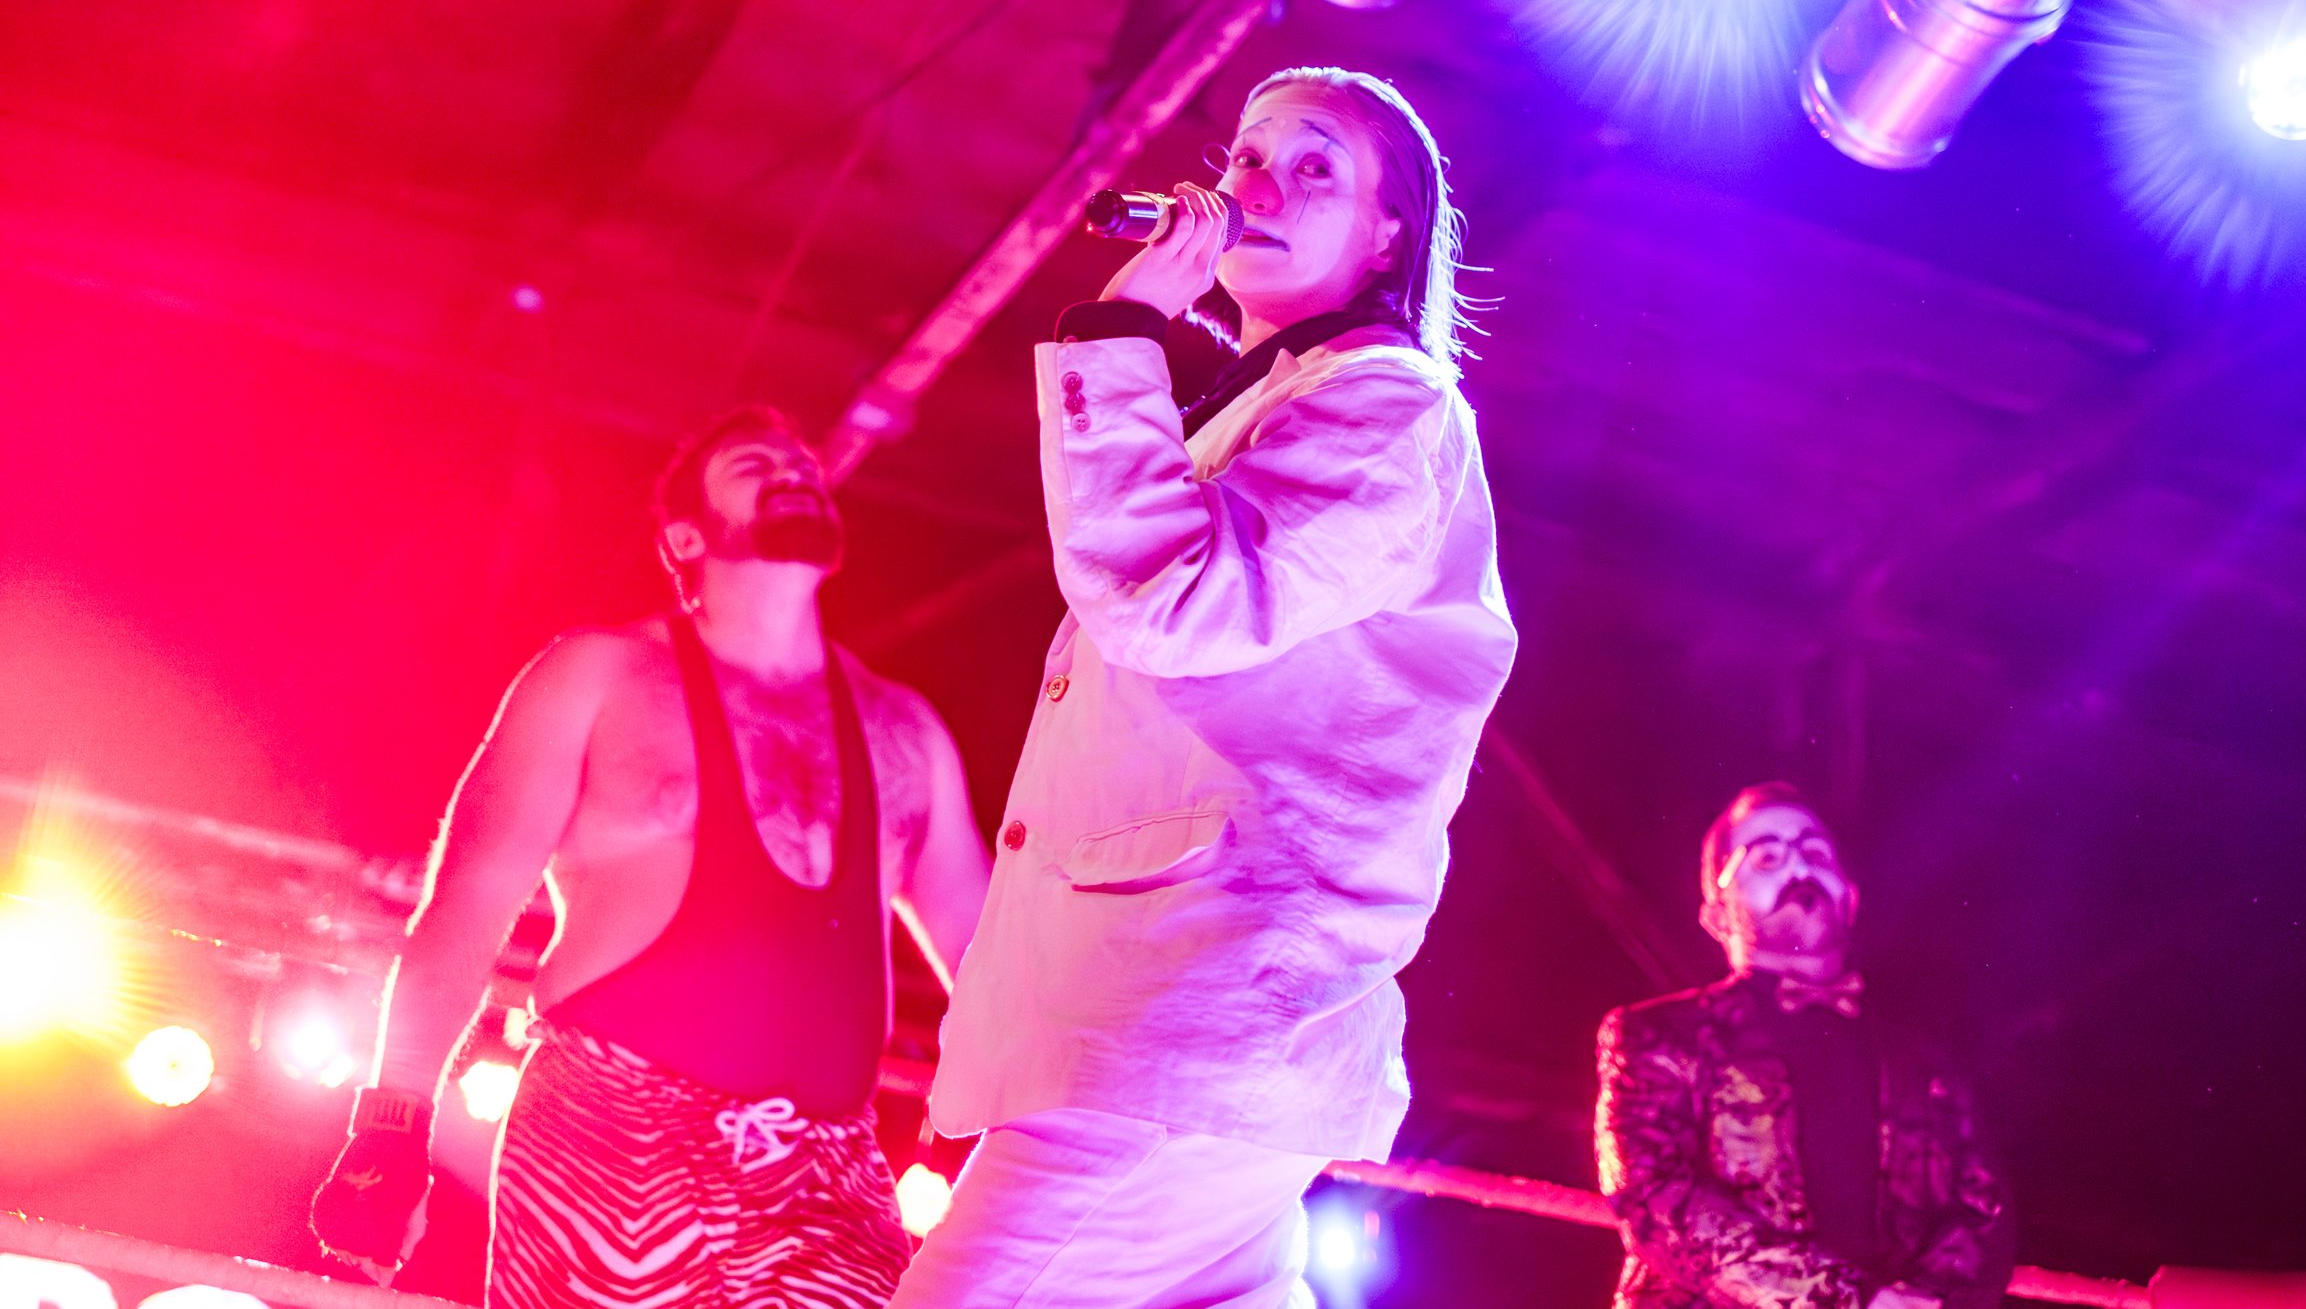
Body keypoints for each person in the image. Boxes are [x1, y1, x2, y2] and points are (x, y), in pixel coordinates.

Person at [889, 67, 1518, 1309]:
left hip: (1185, 1030)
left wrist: (1120, 332)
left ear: (1389, 232)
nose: (1254, 184)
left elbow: (1177, 598)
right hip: (1194, 1036)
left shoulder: (1392, 407)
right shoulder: (1274, 405)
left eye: (1313, 166)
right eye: (1246, 154)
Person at [310, 406, 991, 1308]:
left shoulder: (907, 731)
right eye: (756, 462)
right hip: (610, 1132)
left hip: (823, 1169)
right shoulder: (600, 675)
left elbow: (995, 968)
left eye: (803, 463)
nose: (793, 471)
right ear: (684, 535)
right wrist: (392, 1125)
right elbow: (470, 899)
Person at [1595, 784, 2015, 1309]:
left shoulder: (1927, 1060)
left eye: (1816, 854)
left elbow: (1983, 1212)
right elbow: (1657, 1200)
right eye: (1767, 858)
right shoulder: (1654, 1033)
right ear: (1717, 916)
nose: (1798, 868)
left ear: (1850, 897)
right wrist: (1856, 1301)